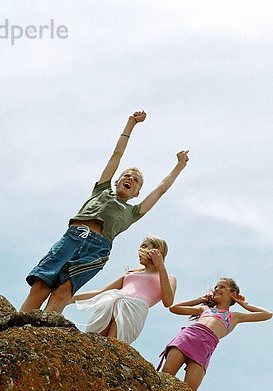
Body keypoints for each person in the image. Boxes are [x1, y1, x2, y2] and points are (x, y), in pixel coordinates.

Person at [19, 109, 189, 314]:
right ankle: (15, 327)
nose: (130, 179)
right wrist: (131, 124)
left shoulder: (134, 211)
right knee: (41, 286)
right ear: (116, 181)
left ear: (136, 193)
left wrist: (179, 166)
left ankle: (39, 331)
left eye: (135, 181)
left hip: (97, 249)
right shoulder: (102, 189)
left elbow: (161, 189)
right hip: (73, 236)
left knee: (63, 292)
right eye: (127, 176)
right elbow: (116, 155)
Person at [158, 278, 272, 391]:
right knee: (165, 376)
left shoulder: (235, 316)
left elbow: (267, 314)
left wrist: (245, 305)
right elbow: (174, 308)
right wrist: (199, 300)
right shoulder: (205, 309)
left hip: (205, 346)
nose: (217, 289)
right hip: (187, 337)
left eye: (222, 287)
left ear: (233, 294)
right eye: (216, 287)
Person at [70, 236, 176, 344]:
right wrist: (70, 299)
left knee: (113, 346)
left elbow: (168, 302)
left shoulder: (168, 278)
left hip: (134, 309)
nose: (139, 251)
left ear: (158, 250)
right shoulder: (131, 274)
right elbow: (100, 292)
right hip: (110, 303)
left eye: (145, 246)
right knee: (93, 343)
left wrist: (161, 267)